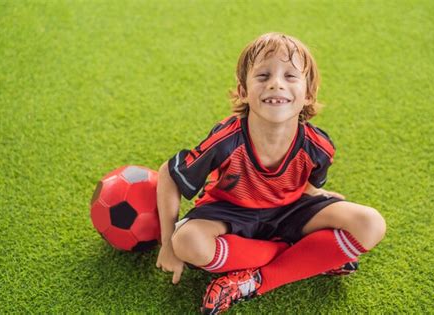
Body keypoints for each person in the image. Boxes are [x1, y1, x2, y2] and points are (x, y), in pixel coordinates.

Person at [155, 32, 386, 314]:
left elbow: (309, 185)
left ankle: (254, 281)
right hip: (230, 212)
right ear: (243, 91)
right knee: (187, 242)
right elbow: (169, 174)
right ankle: (309, 257)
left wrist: (319, 196)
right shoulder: (228, 139)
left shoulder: (319, 146)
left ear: (308, 94)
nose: (276, 84)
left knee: (371, 223)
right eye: (263, 76)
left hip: (287, 211)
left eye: (290, 76)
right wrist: (167, 244)